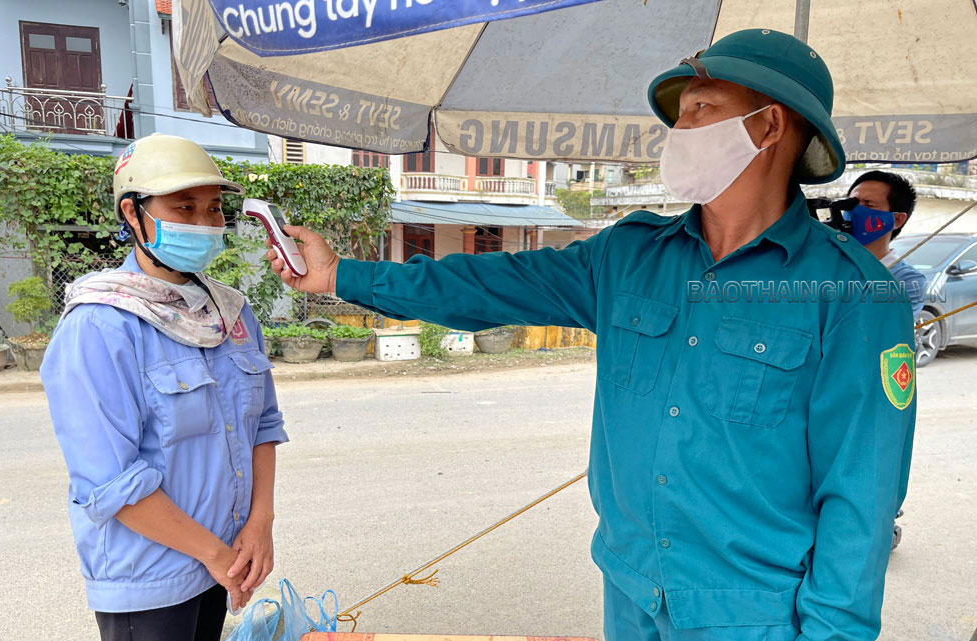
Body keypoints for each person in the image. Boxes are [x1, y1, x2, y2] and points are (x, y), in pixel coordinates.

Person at [272, 30, 916, 641]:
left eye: (700, 110)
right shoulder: (628, 257)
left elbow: (862, 496)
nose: (680, 130)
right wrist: (341, 275)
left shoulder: (854, 293)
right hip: (632, 588)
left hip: (756, 612)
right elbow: (488, 284)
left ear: (769, 125)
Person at [41, 134, 287, 641]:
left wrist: (260, 523)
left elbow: (263, 423)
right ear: (133, 214)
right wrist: (218, 556)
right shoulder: (100, 326)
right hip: (149, 578)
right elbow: (111, 484)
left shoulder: (232, 315)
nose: (204, 223)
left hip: (222, 561)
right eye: (183, 207)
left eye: (214, 209)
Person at [847, 170, 926, 317]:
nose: (854, 211)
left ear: (897, 220)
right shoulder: (827, 262)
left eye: (868, 205)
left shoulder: (908, 281)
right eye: (851, 203)